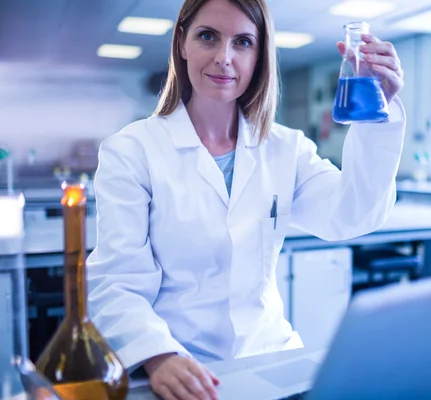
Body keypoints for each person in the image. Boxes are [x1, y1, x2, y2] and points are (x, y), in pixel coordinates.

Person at [86, 0, 406, 398]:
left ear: (259, 56)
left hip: (270, 358)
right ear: (182, 42)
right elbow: (117, 282)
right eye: (208, 37)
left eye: (243, 42)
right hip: (182, 365)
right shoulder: (132, 150)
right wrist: (159, 356)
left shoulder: (285, 148)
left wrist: (379, 111)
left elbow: (352, 214)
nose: (225, 58)